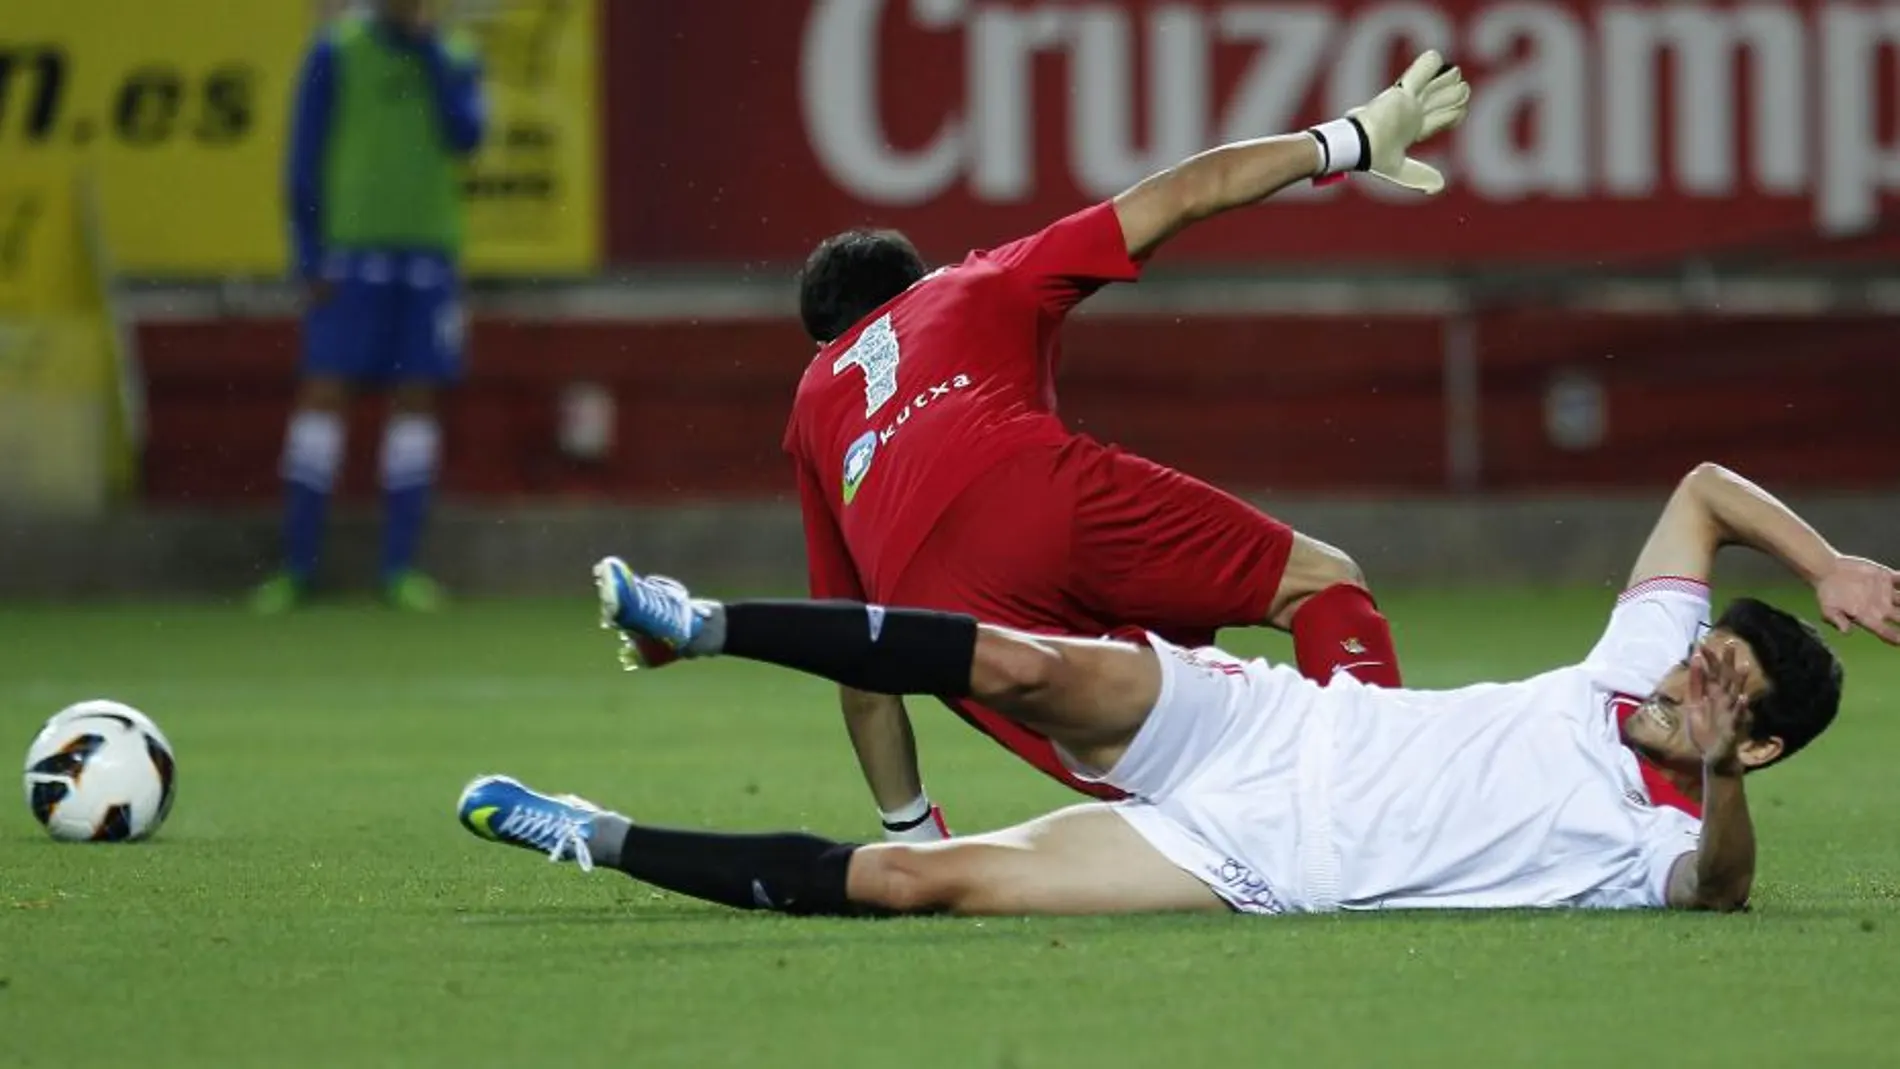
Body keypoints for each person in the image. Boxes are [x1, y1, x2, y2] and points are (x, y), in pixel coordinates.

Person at [456, 463, 1898, 916]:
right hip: (1285, 721)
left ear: (1754, 747)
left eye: (1718, 690)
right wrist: (1827, 556)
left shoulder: (1660, 837)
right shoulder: (1626, 672)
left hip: (1272, 854)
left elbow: (1720, 891)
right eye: (1701, 652)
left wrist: (1709, 779)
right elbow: (1704, 492)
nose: (1685, 676)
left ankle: (595, 832)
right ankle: (695, 621)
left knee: (927, 884)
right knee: (1016, 657)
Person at [763, 52, 1470, 838]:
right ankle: (1393, 808)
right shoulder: (970, 281)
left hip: (940, 609)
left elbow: (856, 658)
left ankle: (1316, 832)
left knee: (1176, 768)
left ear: (821, 341)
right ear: (916, 280)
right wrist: (1351, 140)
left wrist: (911, 833)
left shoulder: (814, 398)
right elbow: (1184, 193)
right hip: (1027, 486)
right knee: (1320, 580)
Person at [252, 0, 486, 614]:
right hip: (349, 257)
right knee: (325, 394)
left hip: (429, 255)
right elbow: (303, 161)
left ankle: (399, 569)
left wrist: (429, 50)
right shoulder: (336, 50)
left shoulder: (455, 55)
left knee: (417, 401)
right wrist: (309, 255)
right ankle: (297, 568)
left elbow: (467, 135)